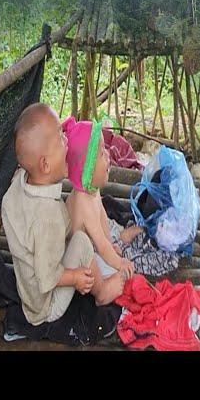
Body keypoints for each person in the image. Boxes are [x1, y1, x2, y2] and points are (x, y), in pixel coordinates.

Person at [1, 104, 124, 326]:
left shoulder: (20, 180)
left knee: (67, 237)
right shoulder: (47, 219)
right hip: (45, 305)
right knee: (82, 242)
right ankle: (103, 291)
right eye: (60, 138)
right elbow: (47, 278)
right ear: (45, 165)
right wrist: (75, 277)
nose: (66, 140)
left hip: (28, 283)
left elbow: (10, 210)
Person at [62, 116, 138, 282]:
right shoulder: (83, 201)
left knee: (110, 256)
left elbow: (103, 217)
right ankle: (103, 291)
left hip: (94, 246)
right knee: (115, 275)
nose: (108, 155)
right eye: (102, 152)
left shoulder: (92, 191)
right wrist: (119, 263)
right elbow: (100, 245)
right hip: (77, 260)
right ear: (87, 169)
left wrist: (111, 244)